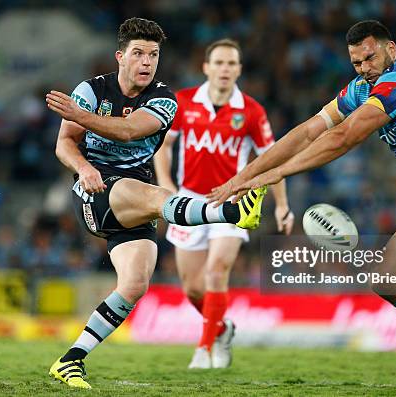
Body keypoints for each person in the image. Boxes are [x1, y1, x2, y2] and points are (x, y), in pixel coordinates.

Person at [209, 20, 396, 394]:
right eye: (356, 63)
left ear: (391, 50)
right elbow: (308, 131)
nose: (364, 68)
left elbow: (343, 138)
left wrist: (280, 173)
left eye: (369, 58)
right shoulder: (361, 89)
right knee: (388, 278)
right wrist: (243, 177)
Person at [45, 17, 266, 389]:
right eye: (138, 54)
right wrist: (83, 167)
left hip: (134, 199)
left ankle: (71, 359)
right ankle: (231, 212)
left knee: (135, 283)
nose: (147, 62)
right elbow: (65, 143)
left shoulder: (164, 99)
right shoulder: (91, 90)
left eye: (153, 54)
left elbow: (129, 130)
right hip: (97, 191)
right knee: (158, 195)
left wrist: (80, 115)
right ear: (120, 56)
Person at [154, 39, 294, 369]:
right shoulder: (184, 102)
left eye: (231, 63)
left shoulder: (252, 111)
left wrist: (282, 206)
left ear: (239, 70)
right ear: (206, 67)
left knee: (217, 272)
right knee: (192, 288)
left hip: (232, 203)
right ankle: (221, 327)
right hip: (188, 202)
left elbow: (272, 160)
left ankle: (204, 349)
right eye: (218, 63)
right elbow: (163, 148)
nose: (225, 69)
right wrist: (166, 186)